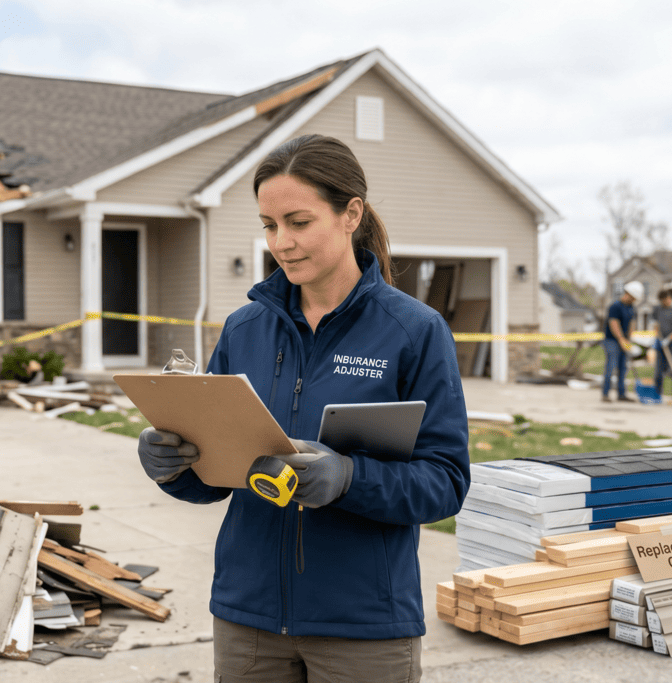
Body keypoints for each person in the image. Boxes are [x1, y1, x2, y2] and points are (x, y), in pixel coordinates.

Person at [137, 134, 470, 682]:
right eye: (269, 226)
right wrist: (174, 466)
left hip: (363, 626)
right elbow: (220, 476)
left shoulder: (414, 332)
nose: (281, 242)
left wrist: (349, 478)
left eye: (298, 222)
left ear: (350, 215)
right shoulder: (244, 329)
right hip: (249, 622)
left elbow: (445, 483)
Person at [602, 281, 642, 403]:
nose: (634, 300)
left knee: (623, 368)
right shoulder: (615, 306)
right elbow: (614, 323)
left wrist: (629, 339)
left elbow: (632, 323)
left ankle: (621, 394)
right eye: (634, 297)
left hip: (624, 341)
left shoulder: (631, 308)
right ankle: (605, 394)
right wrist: (620, 339)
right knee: (611, 367)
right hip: (612, 341)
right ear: (629, 294)